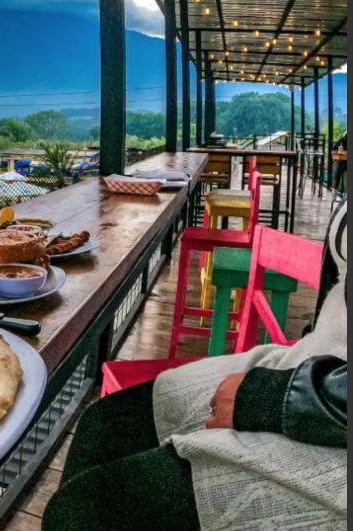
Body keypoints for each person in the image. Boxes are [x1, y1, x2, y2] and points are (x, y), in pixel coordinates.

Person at [44, 200, 347, 530]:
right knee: (104, 424)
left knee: (84, 510)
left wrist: (270, 398)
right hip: (319, 366)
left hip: (325, 403)